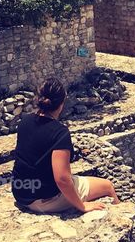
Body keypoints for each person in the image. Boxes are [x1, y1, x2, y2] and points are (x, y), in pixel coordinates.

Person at [11, 77, 120, 213]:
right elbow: (62, 179)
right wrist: (82, 206)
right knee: (108, 186)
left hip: (21, 193)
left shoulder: (24, 121)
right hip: (44, 199)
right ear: (62, 103)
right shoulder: (60, 133)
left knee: (75, 179)